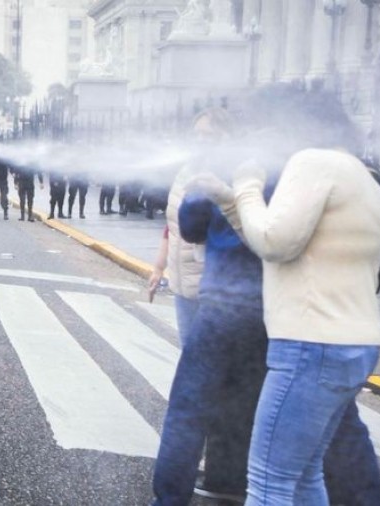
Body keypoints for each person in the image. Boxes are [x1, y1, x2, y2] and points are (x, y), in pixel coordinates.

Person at [196, 85, 380, 505]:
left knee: (269, 483)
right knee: (303, 475)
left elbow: (275, 243)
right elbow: (289, 245)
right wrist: (232, 203)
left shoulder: (311, 161)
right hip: (352, 343)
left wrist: (246, 185)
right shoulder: (357, 172)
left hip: (309, 343)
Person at [151, 107, 269, 505]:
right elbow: (175, 224)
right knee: (218, 389)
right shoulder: (192, 169)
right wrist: (160, 265)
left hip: (216, 292)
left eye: (211, 135)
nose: (202, 141)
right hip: (190, 287)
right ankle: (222, 475)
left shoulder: (240, 174)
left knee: (195, 398)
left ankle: (198, 483)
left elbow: (197, 227)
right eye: (197, 133)